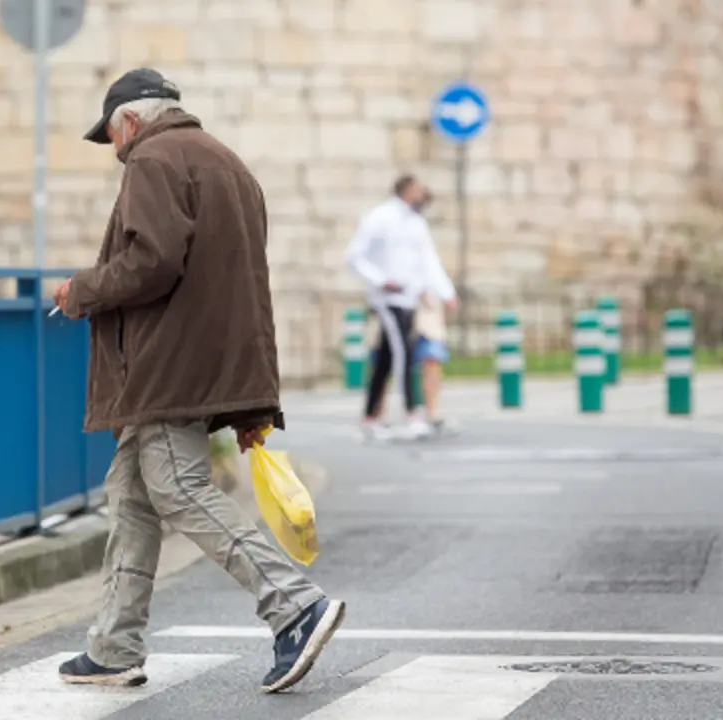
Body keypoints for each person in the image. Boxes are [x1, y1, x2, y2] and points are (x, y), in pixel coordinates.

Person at [51, 68, 346, 694]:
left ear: (128, 120)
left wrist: (82, 290)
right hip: (212, 360)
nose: (117, 152)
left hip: (168, 364)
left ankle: (293, 603)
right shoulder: (230, 164)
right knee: (131, 494)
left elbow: (150, 262)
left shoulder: (153, 160)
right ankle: (112, 647)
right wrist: (249, 395)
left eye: (112, 138)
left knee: (178, 488)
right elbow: (242, 284)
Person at [344, 175, 458, 441]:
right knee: (403, 354)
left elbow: (428, 262)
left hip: (409, 299)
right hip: (388, 299)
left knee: (385, 359)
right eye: (419, 192)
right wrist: (381, 281)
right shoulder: (380, 218)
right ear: (406, 191)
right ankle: (413, 413)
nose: (423, 197)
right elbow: (354, 256)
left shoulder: (416, 224)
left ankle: (371, 416)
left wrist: (446, 293)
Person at [412, 289, 458, 436]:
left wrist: (448, 296)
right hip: (406, 315)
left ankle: (431, 412)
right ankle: (378, 414)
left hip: (429, 319)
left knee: (432, 364)